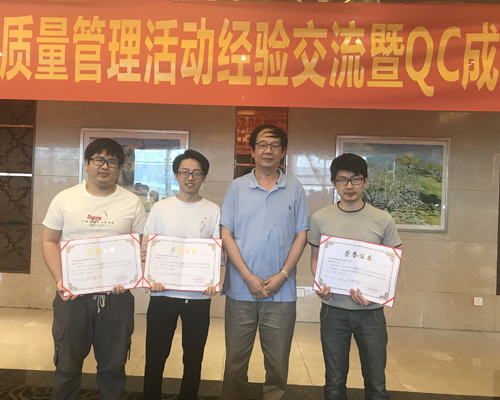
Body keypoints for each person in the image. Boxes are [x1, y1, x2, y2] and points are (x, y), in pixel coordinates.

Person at [42, 138, 147, 400]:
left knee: (113, 368)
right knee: (66, 366)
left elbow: (138, 247)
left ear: (120, 168)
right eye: (99, 159)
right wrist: (60, 279)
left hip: (116, 299)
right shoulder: (65, 198)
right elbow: (49, 240)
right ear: (87, 163)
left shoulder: (132, 202)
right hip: (72, 296)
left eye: (112, 161)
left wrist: (130, 276)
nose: (105, 166)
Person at [220, 124, 310, 400]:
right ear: (252, 150)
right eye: (262, 145)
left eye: (274, 145)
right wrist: (247, 277)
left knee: (277, 364)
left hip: (281, 292)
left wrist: (283, 275)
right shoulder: (237, 187)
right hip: (240, 290)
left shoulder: (294, 188)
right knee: (234, 362)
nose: (268, 150)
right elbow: (226, 234)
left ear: (283, 151)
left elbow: (301, 234)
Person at [309, 153, 402, 400]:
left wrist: (376, 295)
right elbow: (315, 259)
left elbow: (391, 265)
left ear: (365, 181)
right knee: (334, 382)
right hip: (333, 310)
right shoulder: (320, 218)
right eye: (342, 180)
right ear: (334, 183)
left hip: (371, 313)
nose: (349, 186)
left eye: (355, 179)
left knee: (376, 383)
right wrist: (320, 284)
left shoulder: (383, 220)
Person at [143, 150, 220, 400]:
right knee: (155, 356)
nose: (190, 177)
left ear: (204, 177)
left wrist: (213, 280)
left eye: (196, 173)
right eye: (185, 172)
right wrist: (150, 276)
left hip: (198, 297)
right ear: (176, 175)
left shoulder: (213, 210)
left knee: (194, 358)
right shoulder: (160, 208)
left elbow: (216, 250)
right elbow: (148, 247)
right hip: (162, 294)